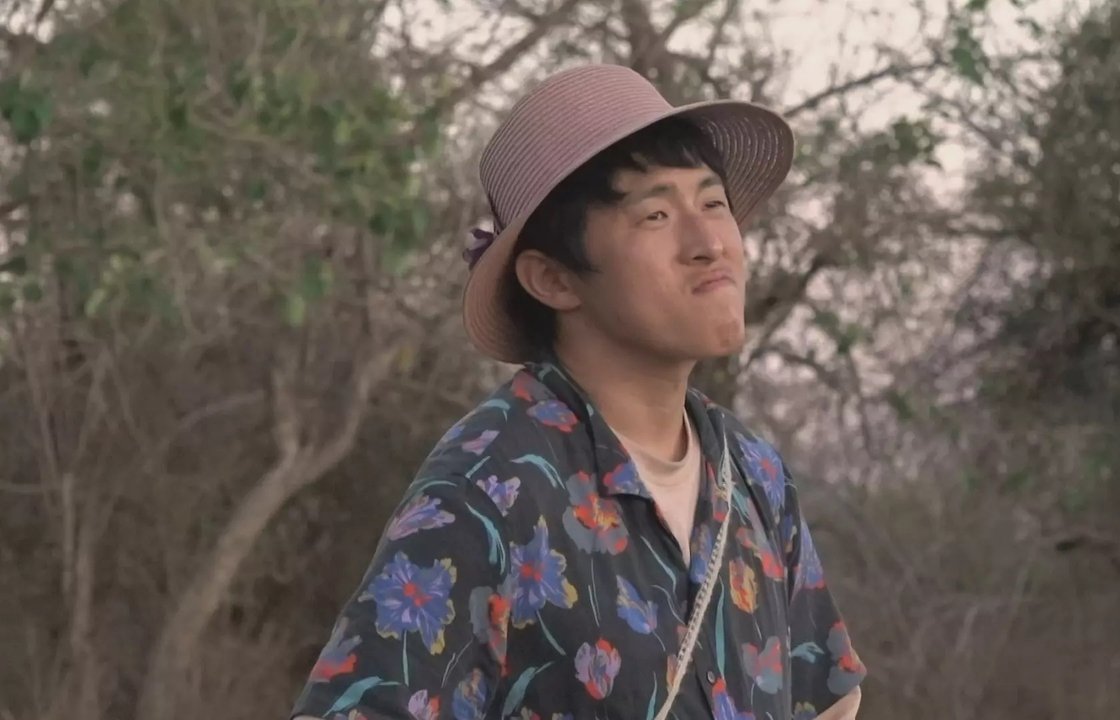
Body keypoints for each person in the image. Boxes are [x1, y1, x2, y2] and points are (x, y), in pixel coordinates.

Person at [292, 64, 865, 720]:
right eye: (655, 214)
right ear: (554, 279)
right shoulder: (489, 489)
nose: (710, 242)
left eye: (713, 204)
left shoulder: (754, 474)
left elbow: (825, 697)